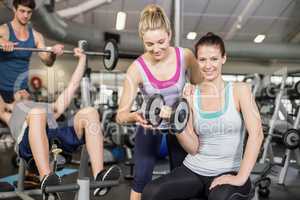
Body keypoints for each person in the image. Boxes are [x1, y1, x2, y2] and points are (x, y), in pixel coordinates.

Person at [141, 32, 264, 200]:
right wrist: (175, 121)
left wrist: (240, 177)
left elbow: (257, 135)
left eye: (214, 59)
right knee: (151, 193)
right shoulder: (190, 95)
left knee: (219, 198)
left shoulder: (240, 90)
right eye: (202, 59)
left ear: (224, 58)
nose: (208, 65)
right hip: (194, 170)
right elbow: (192, 147)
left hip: (230, 171)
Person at [0, 48, 121, 196]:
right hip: (29, 143)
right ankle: (46, 177)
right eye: (19, 91)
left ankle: (99, 176)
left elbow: (72, 86)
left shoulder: (47, 107)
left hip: (56, 136)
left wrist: (82, 59)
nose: (23, 91)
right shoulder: (8, 111)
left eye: (25, 90)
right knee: (37, 114)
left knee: (90, 112)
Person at [116, 4, 201, 200]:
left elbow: (200, 85)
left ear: (169, 34)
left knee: (182, 178)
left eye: (161, 41)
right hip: (150, 127)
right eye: (149, 44)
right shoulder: (136, 69)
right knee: (141, 178)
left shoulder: (185, 56)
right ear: (142, 41)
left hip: (180, 126)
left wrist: (192, 93)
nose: (156, 49)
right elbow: (120, 116)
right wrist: (134, 116)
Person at [0, 0, 64, 103]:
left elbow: (48, 62)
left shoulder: (36, 36)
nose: (25, 15)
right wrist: (1, 41)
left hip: (22, 92)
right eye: (22, 11)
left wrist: (53, 53)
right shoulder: (3, 30)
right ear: (14, 9)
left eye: (29, 12)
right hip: (2, 91)